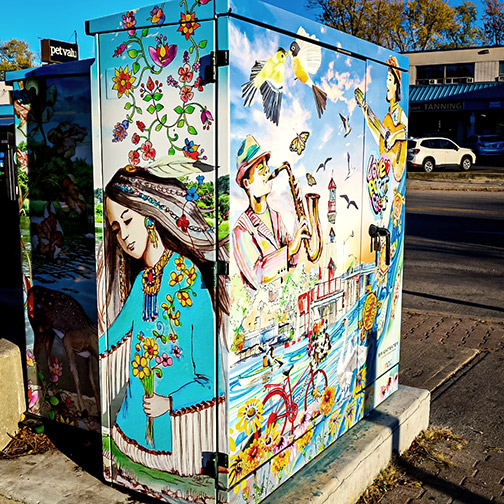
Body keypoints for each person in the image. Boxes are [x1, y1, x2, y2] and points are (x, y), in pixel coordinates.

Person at [99, 165, 229, 478]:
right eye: (116, 228)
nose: (124, 236)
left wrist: (168, 402)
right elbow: (112, 340)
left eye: (128, 220)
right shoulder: (143, 280)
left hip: (176, 443)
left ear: (150, 214)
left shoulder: (189, 279)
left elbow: (213, 382)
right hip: (129, 432)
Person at [232, 135, 309, 290]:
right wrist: (290, 250)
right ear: (247, 183)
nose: (267, 171)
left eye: (266, 166)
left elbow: (292, 261)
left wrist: (298, 215)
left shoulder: (276, 216)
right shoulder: (240, 228)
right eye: (260, 169)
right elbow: (256, 275)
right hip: (258, 308)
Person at [355, 56, 408, 181]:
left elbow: (405, 131)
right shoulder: (387, 118)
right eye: (386, 80)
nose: (386, 84)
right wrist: (365, 110)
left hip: (395, 163)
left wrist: (394, 137)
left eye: (389, 80)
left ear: (397, 86)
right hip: (387, 167)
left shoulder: (400, 113)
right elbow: (378, 135)